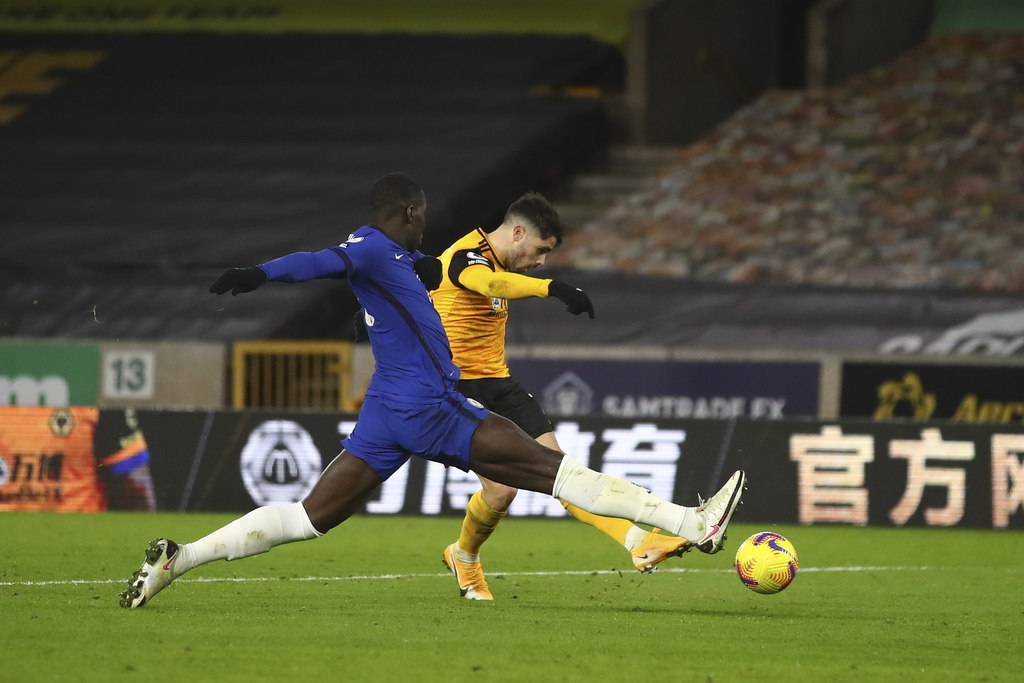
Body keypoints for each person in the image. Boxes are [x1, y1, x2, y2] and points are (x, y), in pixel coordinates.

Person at [118, 173, 745, 609]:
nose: (430, 230)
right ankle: (690, 522)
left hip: (386, 411)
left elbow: (397, 280)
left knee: (309, 518)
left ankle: (180, 559)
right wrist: (258, 274)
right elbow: (318, 261)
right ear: (411, 214)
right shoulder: (378, 251)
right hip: (430, 405)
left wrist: (405, 282)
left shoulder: (398, 259)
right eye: (424, 219)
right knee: (551, 470)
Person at [432, 192, 689, 600]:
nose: (541, 261)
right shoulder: (467, 256)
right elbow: (490, 283)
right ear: (518, 233)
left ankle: (639, 542)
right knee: (502, 491)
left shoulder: (487, 260)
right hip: (454, 388)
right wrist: (552, 288)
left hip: (498, 383)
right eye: (540, 250)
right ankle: (465, 558)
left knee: (563, 471)